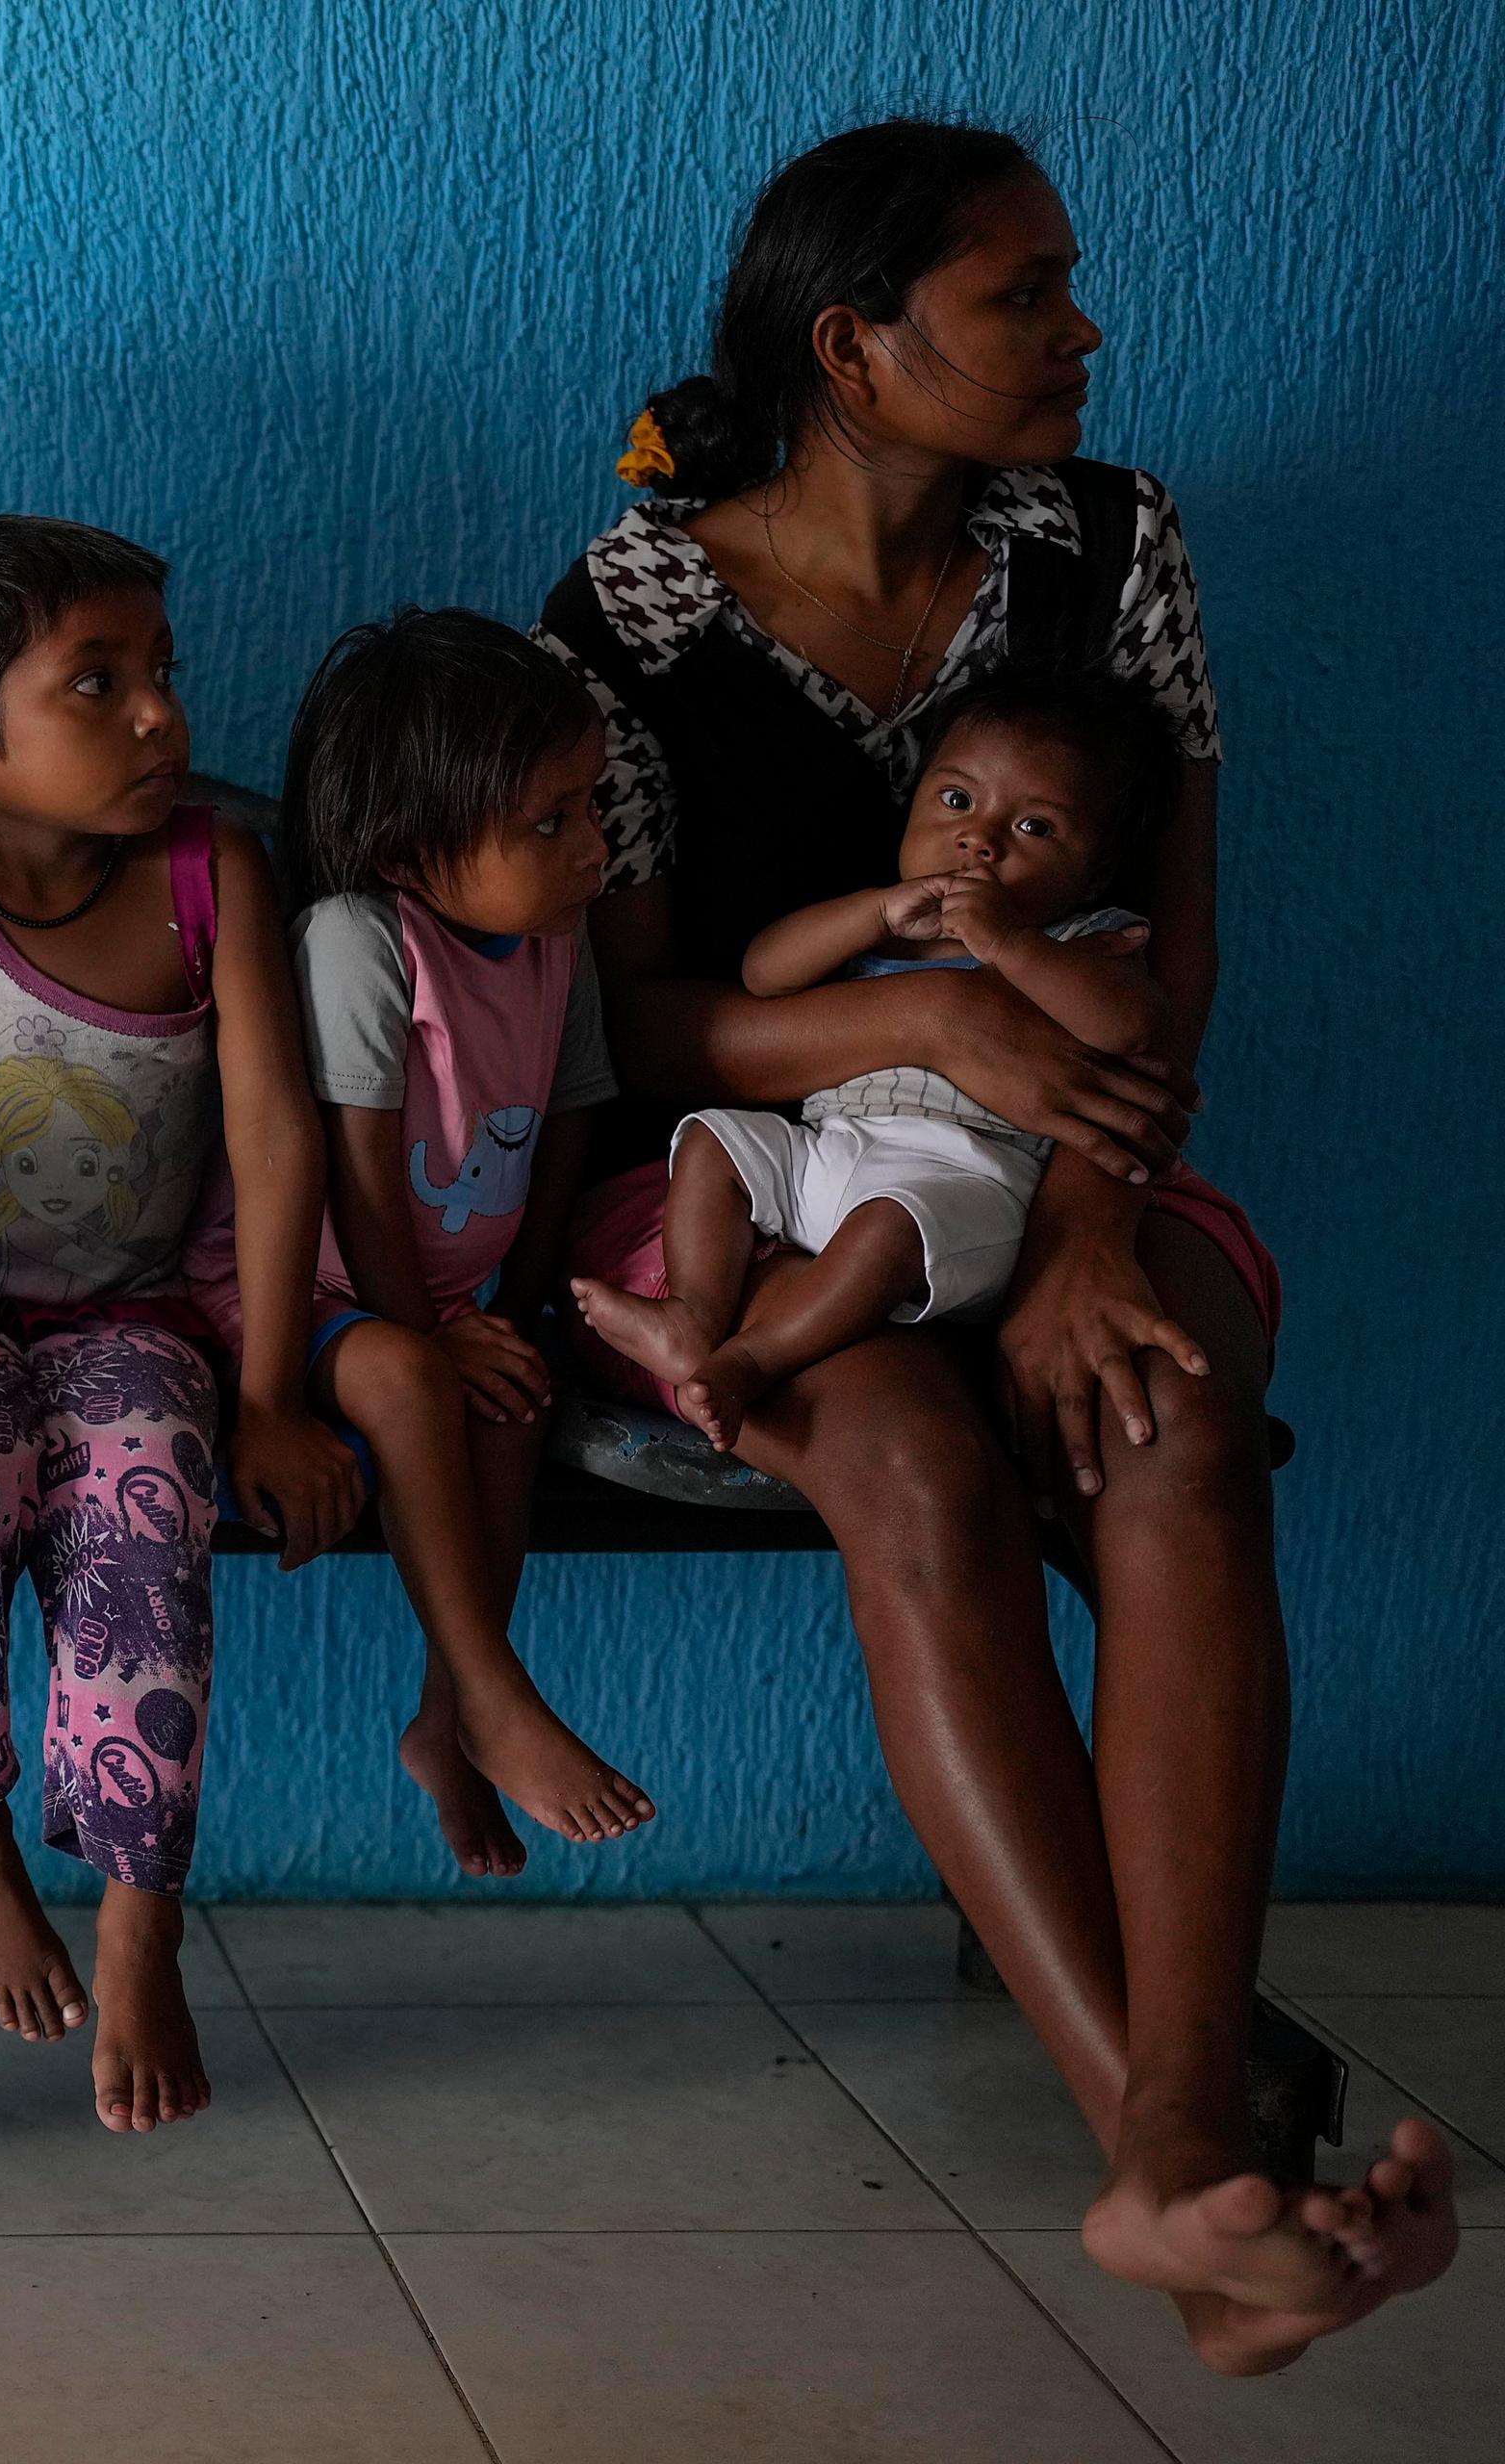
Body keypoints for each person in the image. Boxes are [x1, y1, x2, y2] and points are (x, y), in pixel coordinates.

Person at [539, 117, 1452, 2371]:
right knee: (918, 1470)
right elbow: (640, 1023)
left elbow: (1175, 950)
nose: (1080, 329)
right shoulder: (631, 607)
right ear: (852, 349)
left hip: (1085, 1151)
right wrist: (927, 1015)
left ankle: (1179, 2148)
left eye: (1062, 284)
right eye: (1020, 295)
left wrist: (1080, 1231)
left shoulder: (1110, 544)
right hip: (756, 1172)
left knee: (1167, 1427)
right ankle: (1182, 2172)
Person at [0, 516, 361, 2129]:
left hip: (137, 1309)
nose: (162, 713)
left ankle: (141, 1910)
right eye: (97, 684)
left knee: (147, 1497)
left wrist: (268, 1396)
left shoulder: (215, 871)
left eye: (161, 671)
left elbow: (275, 1133)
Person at [279, 611, 654, 1876]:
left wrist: (518, 1313)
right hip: (313, 1289)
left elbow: (569, 1121)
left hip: (451, 1297)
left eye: (589, 805)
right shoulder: (359, 940)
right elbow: (356, 1176)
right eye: (550, 822)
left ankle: (450, 1721)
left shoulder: (559, 937)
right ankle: (498, 1697)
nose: (594, 845)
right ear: (409, 849)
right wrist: (429, 1330)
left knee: (509, 1400)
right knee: (410, 1379)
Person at [577, 673, 1168, 1444]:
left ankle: (753, 1359)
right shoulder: (895, 918)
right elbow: (764, 973)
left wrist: (1008, 944)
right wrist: (872, 915)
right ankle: (692, 1313)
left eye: (1034, 828)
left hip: (959, 1186)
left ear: (1094, 873)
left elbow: (1129, 1026)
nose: (980, 839)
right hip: (830, 1151)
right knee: (712, 1139)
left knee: (887, 1228)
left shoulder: (1084, 941)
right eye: (956, 800)